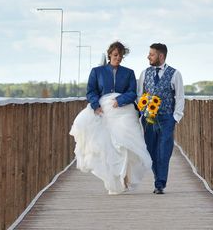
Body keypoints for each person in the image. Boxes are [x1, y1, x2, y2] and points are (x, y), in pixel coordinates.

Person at [69, 41, 152, 194]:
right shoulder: (97, 71)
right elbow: (91, 91)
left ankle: (125, 179)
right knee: (107, 146)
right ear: (109, 55)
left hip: (124, 111)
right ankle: (112, 180)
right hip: (103, 112)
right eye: (115, 55)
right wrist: (95, 105)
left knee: (126, 145)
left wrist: (120, 100)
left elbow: (132, 92)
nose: (118, 58)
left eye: (120, 56)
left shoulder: (129, 73)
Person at [137, 42, 184, 194]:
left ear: (161, 56)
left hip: (166, 118)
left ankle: (160, 184)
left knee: (164, 150)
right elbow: (139, 94)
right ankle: (158, 177)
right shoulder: (145, 73)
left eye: (151, 54)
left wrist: (175, 117)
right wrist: (142, 112)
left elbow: (180, 97)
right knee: (151, 151)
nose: (148, 57)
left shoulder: (175, 74)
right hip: (148, 119)